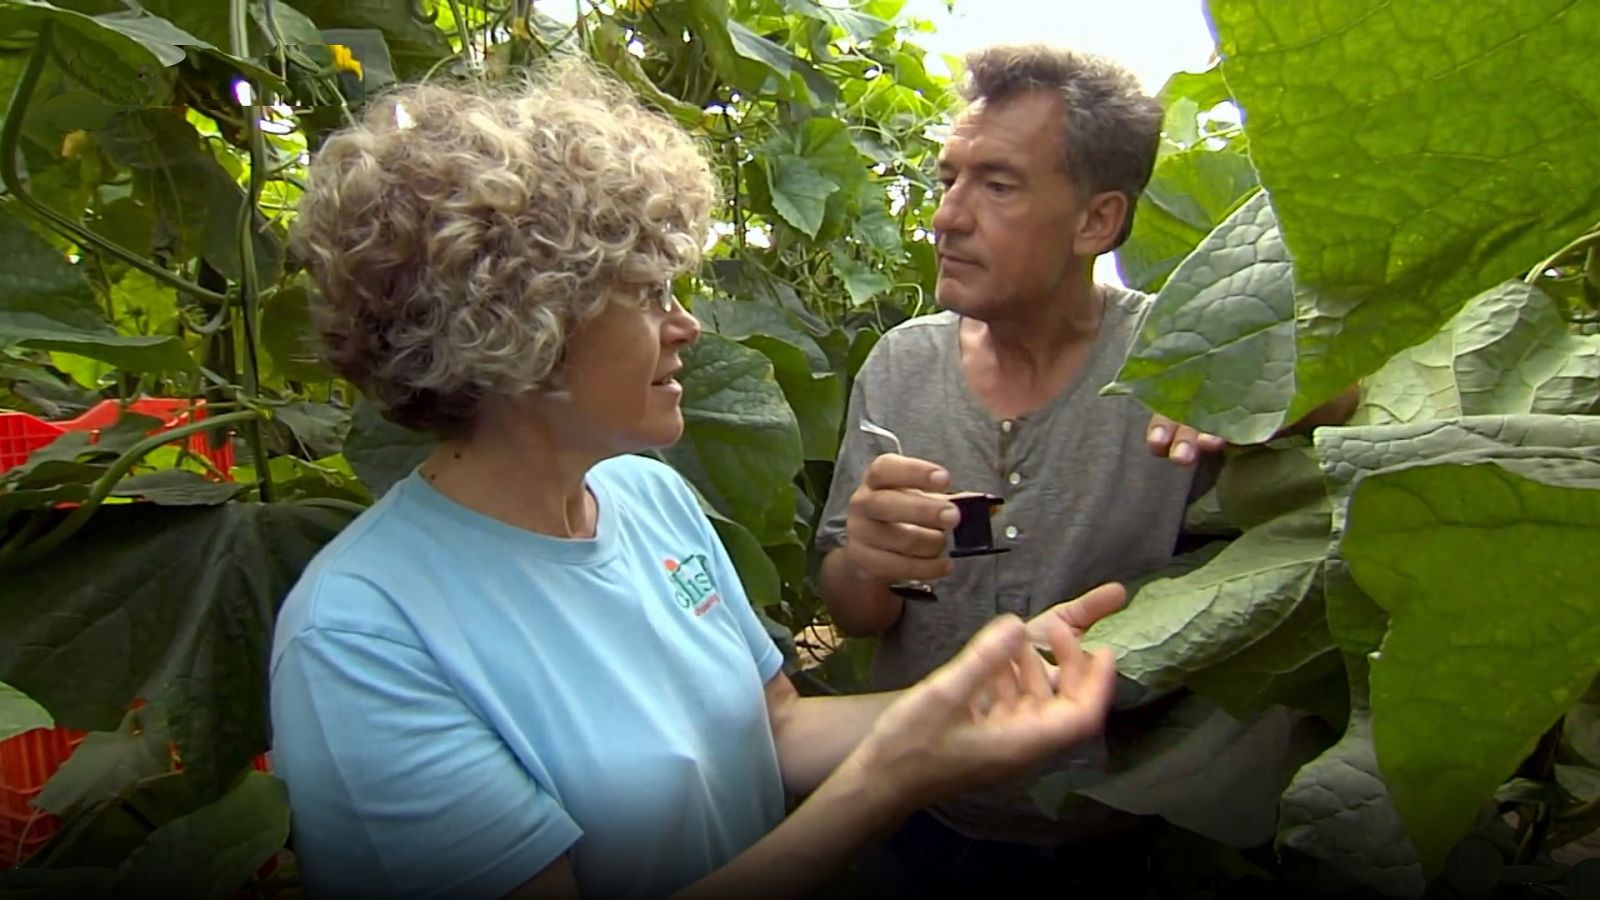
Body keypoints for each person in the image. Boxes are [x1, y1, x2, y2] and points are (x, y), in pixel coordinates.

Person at [267, 58, 1128, 900]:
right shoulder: (361, 633)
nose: (685, 325)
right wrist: (890, 780)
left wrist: (972, 691)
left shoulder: (647, 497)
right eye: (645, 292)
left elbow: (776, 727)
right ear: (514, 325)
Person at [815, 44, 1360, 895]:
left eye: (997, 185)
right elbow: (852, 613)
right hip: (909, 814)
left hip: (1118, 838)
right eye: (949, 178)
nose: (946, 217)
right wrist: (867, 562)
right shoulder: (899, 367)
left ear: (1097, 223)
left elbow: (1373, 427)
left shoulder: (1182, 367)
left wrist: (1283, 390)